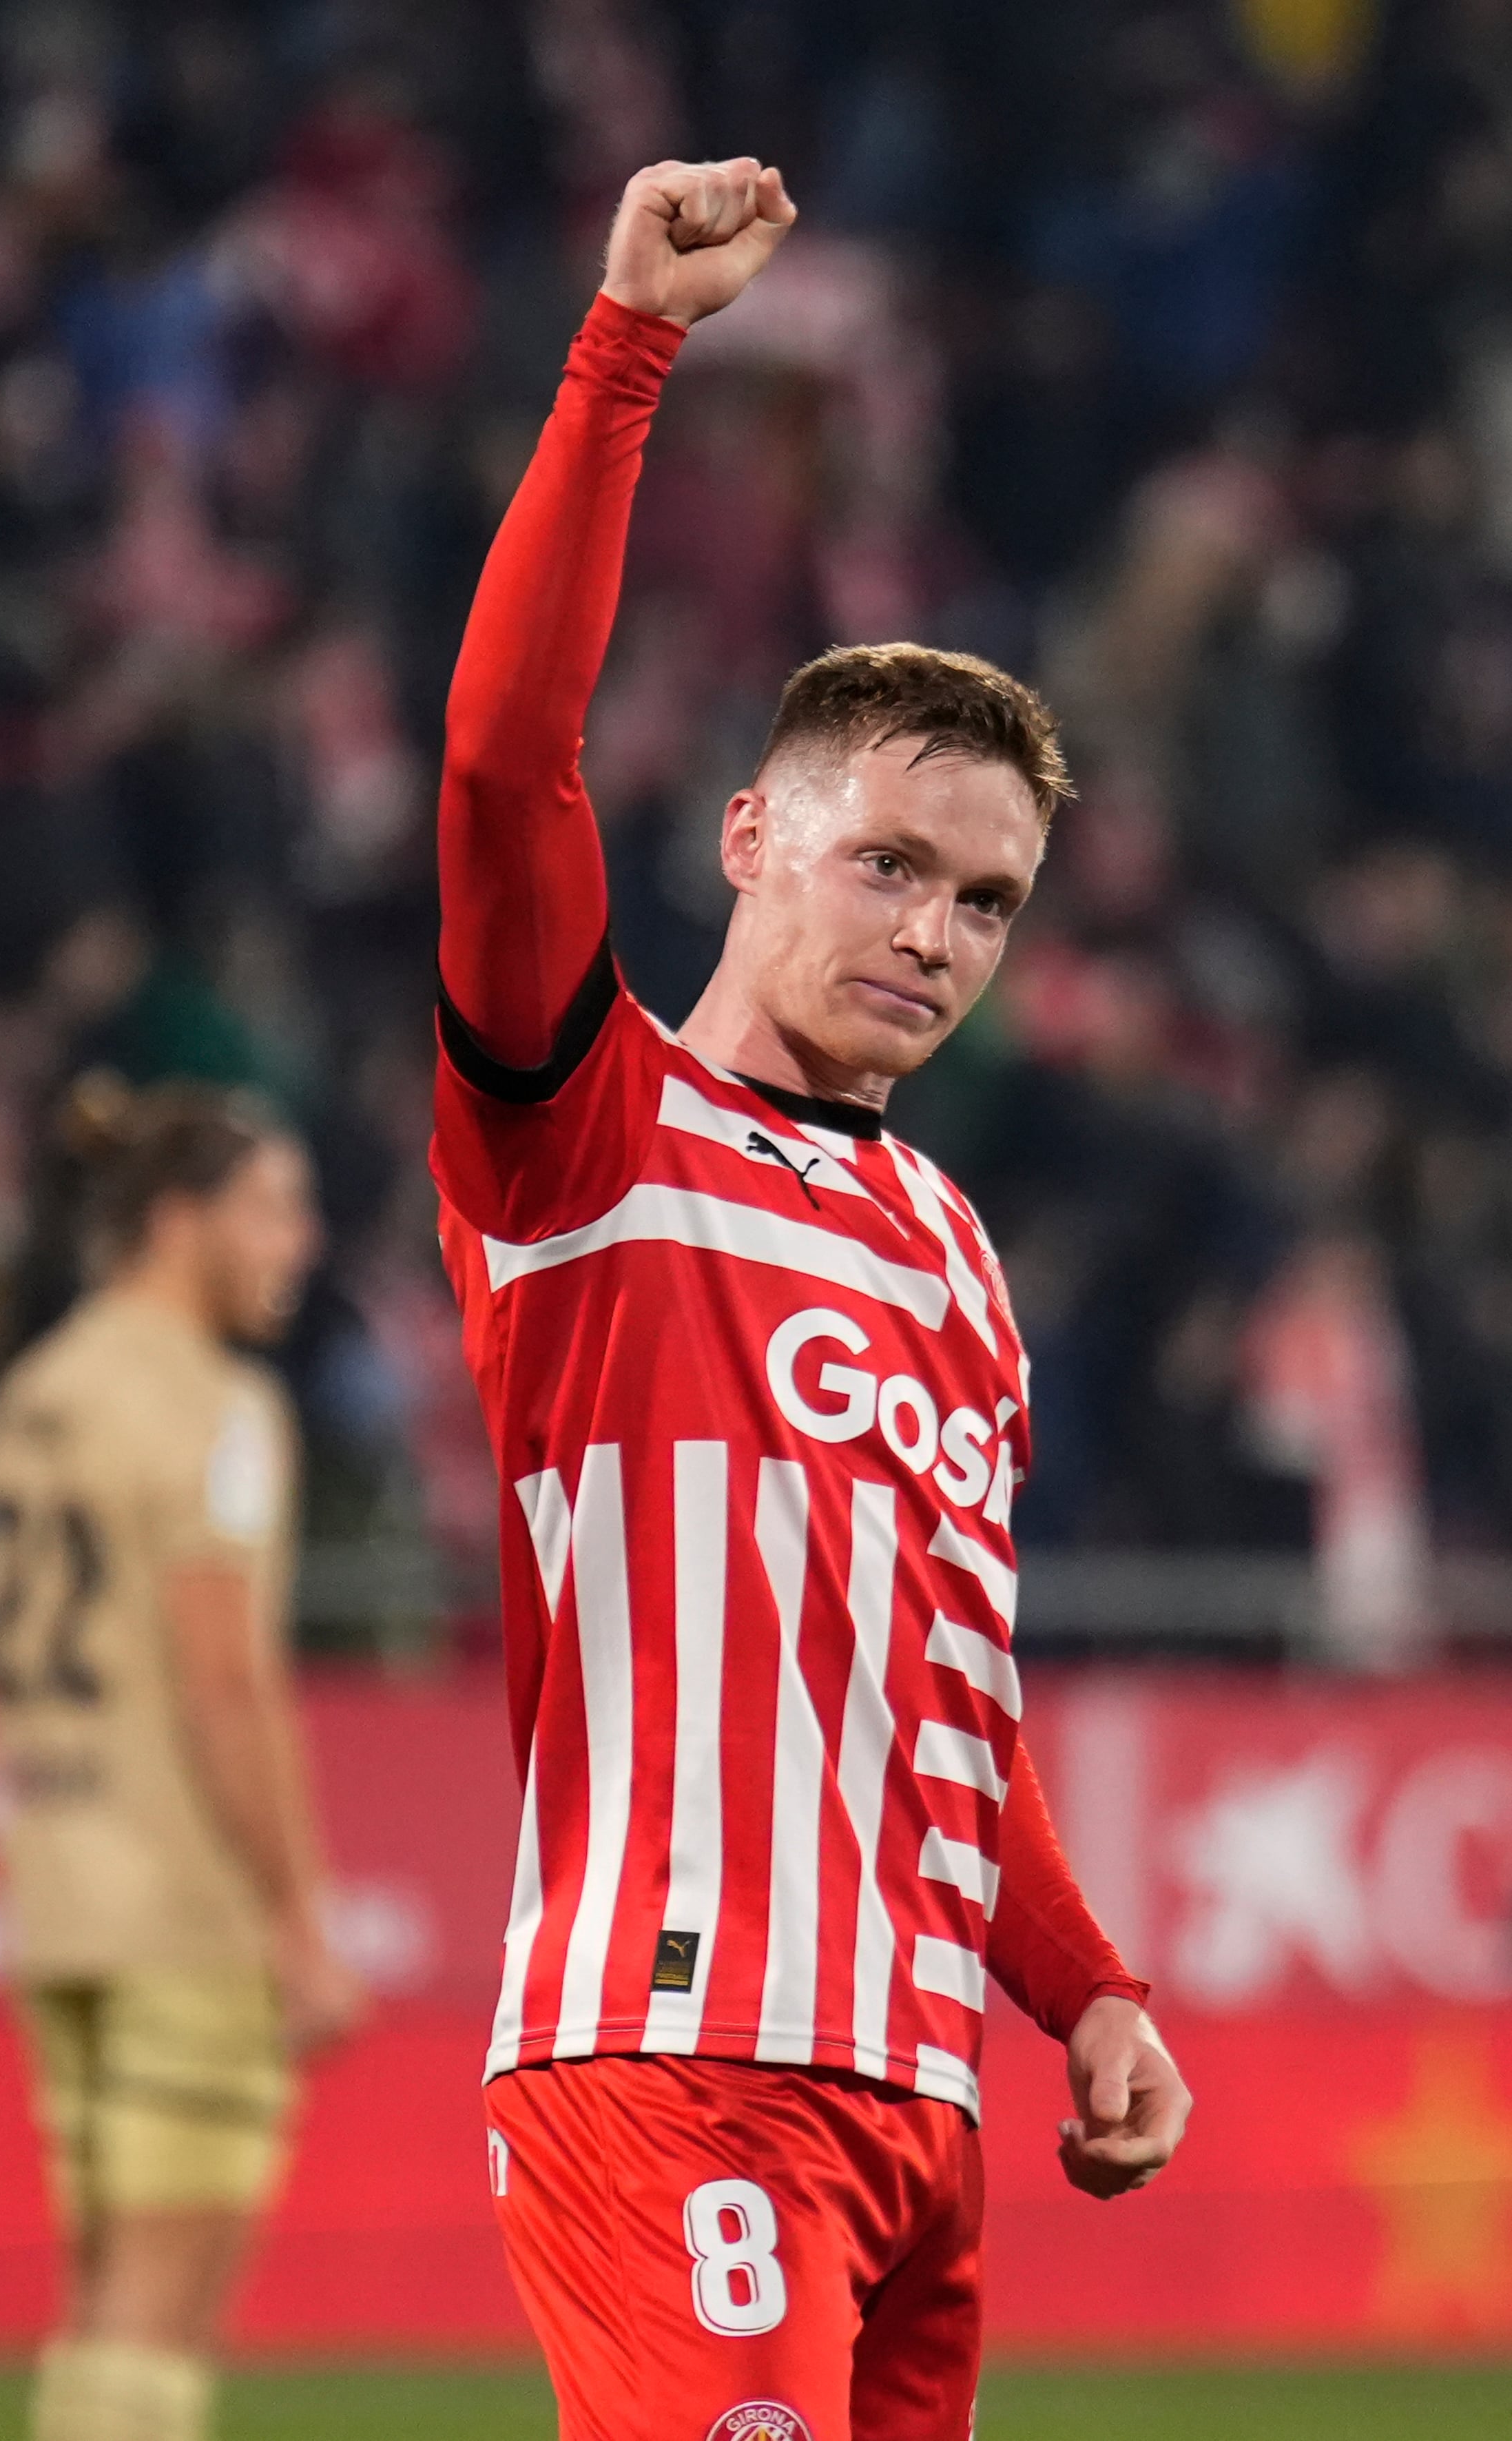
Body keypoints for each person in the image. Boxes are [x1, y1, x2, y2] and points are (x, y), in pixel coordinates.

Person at [432, 158, 1192, 2441]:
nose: (937, 937)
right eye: (888, 861)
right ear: (749, 836)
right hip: (673, 2059)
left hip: (917, 2105)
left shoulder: (957, 1251)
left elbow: (941, 1702)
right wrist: (626, 345)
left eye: (985, 898)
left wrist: (1089, 1986)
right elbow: (497, 764)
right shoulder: (592, 1129)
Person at [0, 1077, 364, 2441]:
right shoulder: (216, 1409)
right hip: (183, 1910)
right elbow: (224, 1682)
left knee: (99, 2303)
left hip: (56, 1893)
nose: (299, 1242)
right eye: (272, 1207)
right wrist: (301, 1920)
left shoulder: (36, 1390)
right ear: (178, 1218)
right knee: (160, 2306)